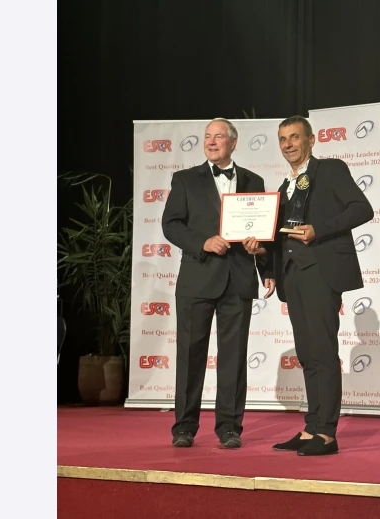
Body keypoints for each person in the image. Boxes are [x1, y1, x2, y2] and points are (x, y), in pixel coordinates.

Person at [242, 115, 373, 456]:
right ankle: (311, 427)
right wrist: (264, 260)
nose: (288, 144)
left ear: (311, 140)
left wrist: (320, 229)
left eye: (294, 137)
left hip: (321, 272)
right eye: (282, 139)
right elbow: (277, 240)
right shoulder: (283, 188)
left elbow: (363, 209)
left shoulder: (329, 170)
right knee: (307, 354)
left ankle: (327, 433)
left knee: (323, 352)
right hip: (293, 276)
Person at [162, 117, 276, 449]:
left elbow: (262, 233)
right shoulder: (185, 179)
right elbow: (171, 224)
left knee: (234, 357)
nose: (211, 142)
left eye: (219, 137)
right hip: (197, 278)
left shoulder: (254, 181)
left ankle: (229, 427)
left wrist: (266, 266)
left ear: (233, 143)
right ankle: (184, 426)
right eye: (207, 137)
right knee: (190, 354)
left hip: (238, 279)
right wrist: (203, 242)